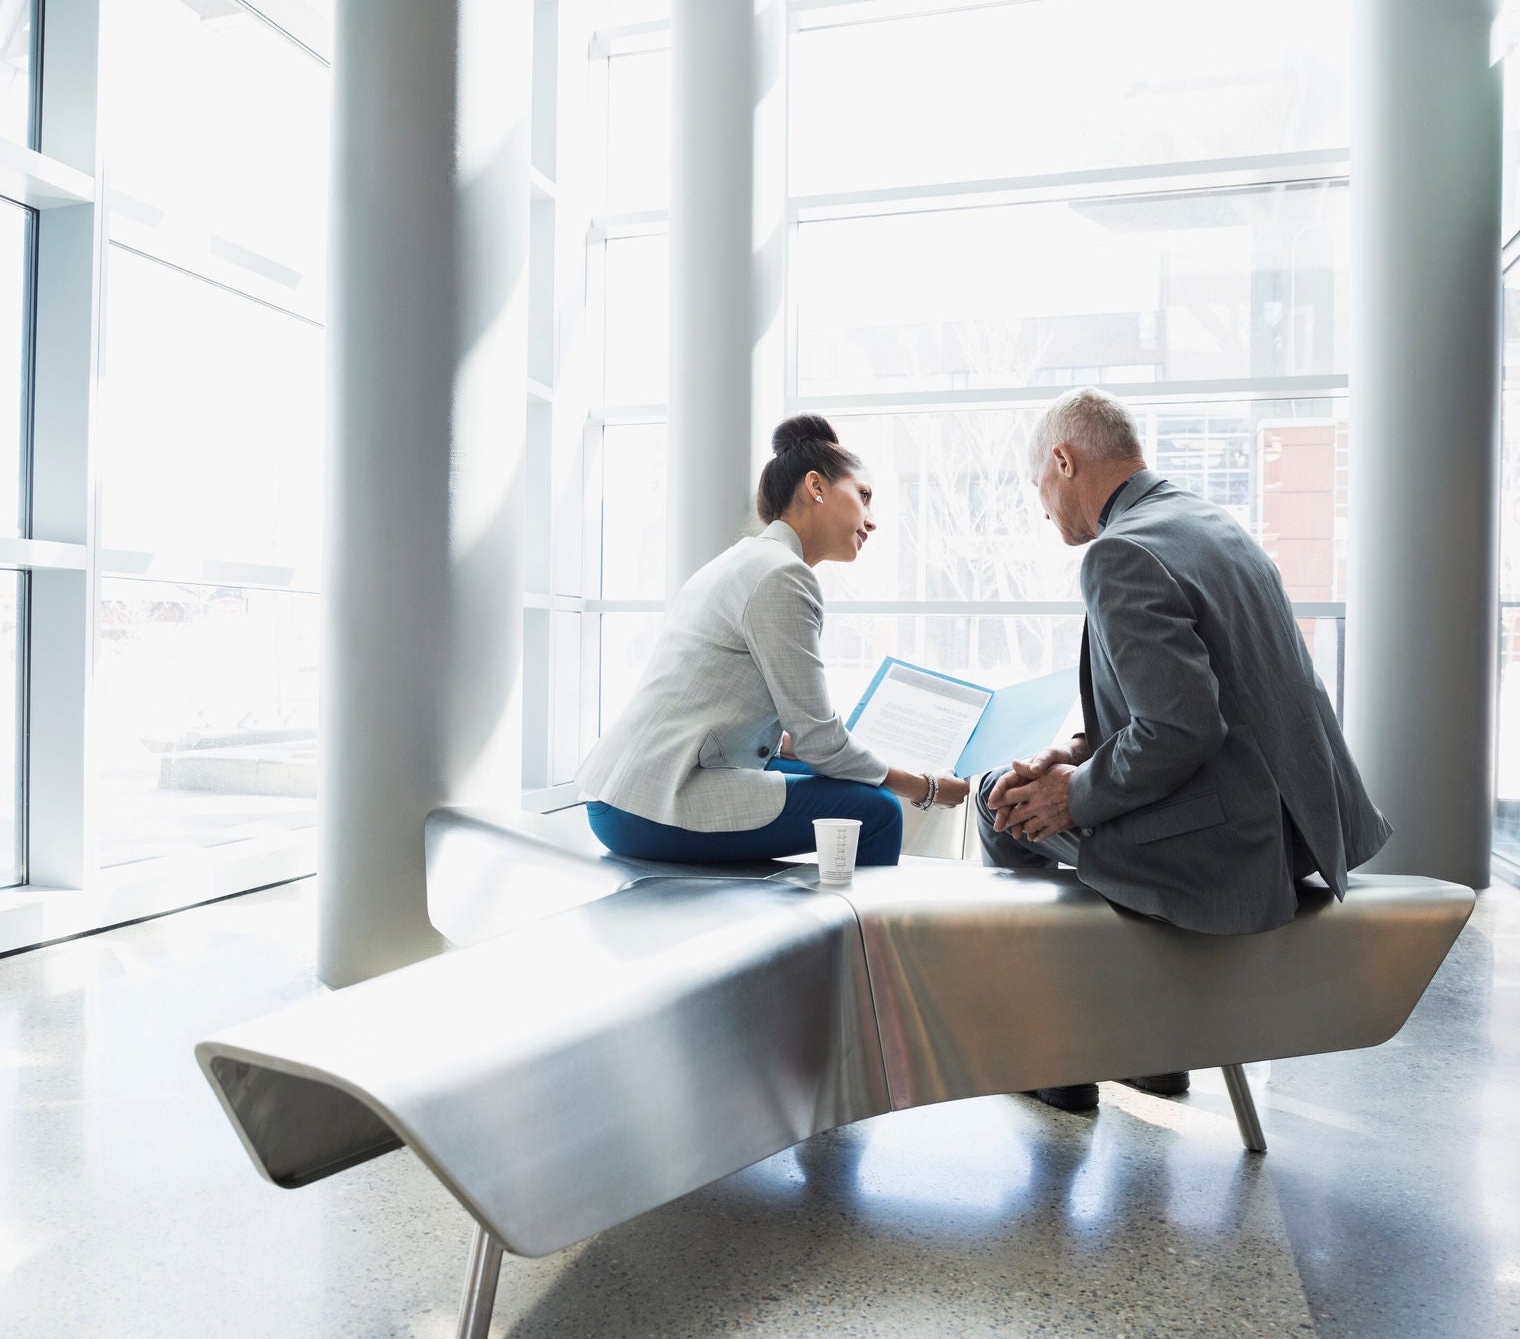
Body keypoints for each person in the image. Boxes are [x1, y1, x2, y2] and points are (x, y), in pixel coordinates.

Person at [979, 387, 1391, 1111]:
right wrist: (1080, 753)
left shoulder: (1118, 554)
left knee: (998, 805)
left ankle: (1062, 1054)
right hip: (1295, 828)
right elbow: (1212, 697)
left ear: (1063, 461)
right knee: (1047, 801)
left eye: (1038, 488)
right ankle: (1154, 1047)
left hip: (1228, 850)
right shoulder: (1208, 522)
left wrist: (1067, 793)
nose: (1042, 508)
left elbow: (1180, 730)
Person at [578, 415, 966, 865]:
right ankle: (843, 932)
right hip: (649, 804)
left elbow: (781, 731)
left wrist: (872, 764)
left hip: (623, 788)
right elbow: (822, 742)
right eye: (863, 496)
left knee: (858, 785)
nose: (872, 520)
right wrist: (926, 788)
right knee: (877, 812)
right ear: (816, 487)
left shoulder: (748, 558)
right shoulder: (783, 575)